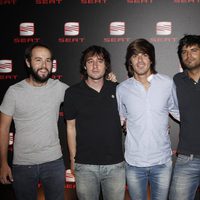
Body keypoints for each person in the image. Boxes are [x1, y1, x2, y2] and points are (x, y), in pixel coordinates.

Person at [0, 42, 68, 200]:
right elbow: (3, 129)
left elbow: (84, 96)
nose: (44, 65)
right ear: (28, 62)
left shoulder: (59, 88)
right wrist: (3, 163)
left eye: (48, 60)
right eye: (38, 60)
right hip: (23, 165)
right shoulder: (14, 92)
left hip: (54, 163)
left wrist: (109, 82)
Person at [116, 38, 179, 200]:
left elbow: (177, 111)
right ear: (130, 61)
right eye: (135, 55)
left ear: (151, 59)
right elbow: (120, 119)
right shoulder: (122, 89)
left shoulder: (167, 83)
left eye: (144, 55)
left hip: (162, 162)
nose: (140, 60)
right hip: (134, 163)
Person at [63, 45, 125, 200]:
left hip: (115, 166)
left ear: (106, 65)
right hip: (84, 166)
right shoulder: (72, 93)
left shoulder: (119, 90)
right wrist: (73, 160)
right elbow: (70, 128)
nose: (95, 66)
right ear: (85, 66)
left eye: (100, 61)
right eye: (90, 61)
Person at [169, 34, 200, 200]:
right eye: (184, 52)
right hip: (187, 158)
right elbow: (170, 107)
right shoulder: (177, 80)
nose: (188, 55)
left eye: (194, 50)